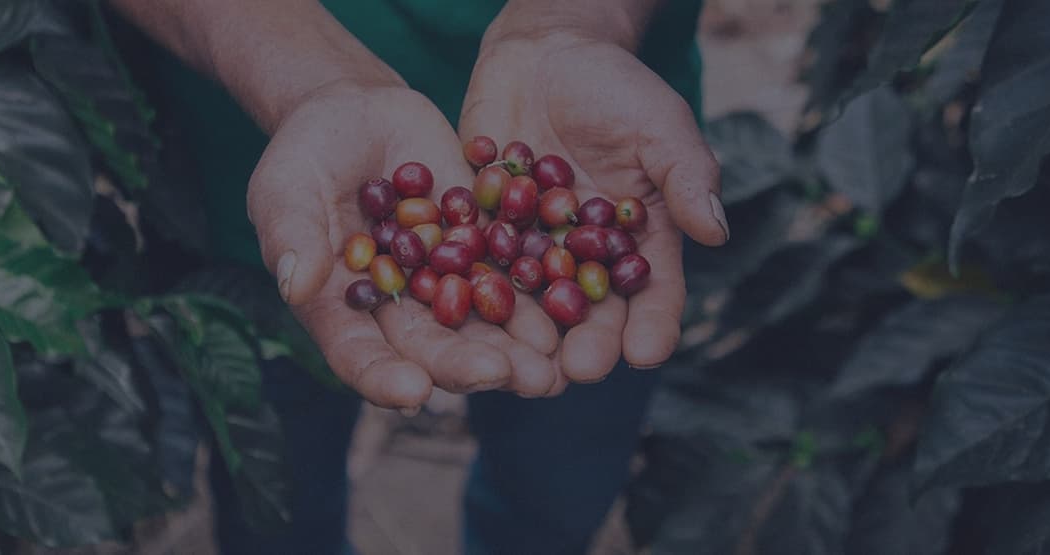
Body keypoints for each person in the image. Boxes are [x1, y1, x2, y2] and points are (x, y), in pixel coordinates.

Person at [107, 1, 730, 553]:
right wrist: (309, 79)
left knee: (559, 487)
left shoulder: (559, 215)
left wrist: (576, 20)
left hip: (601, 147)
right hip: (254, 165)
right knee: (278, 500)